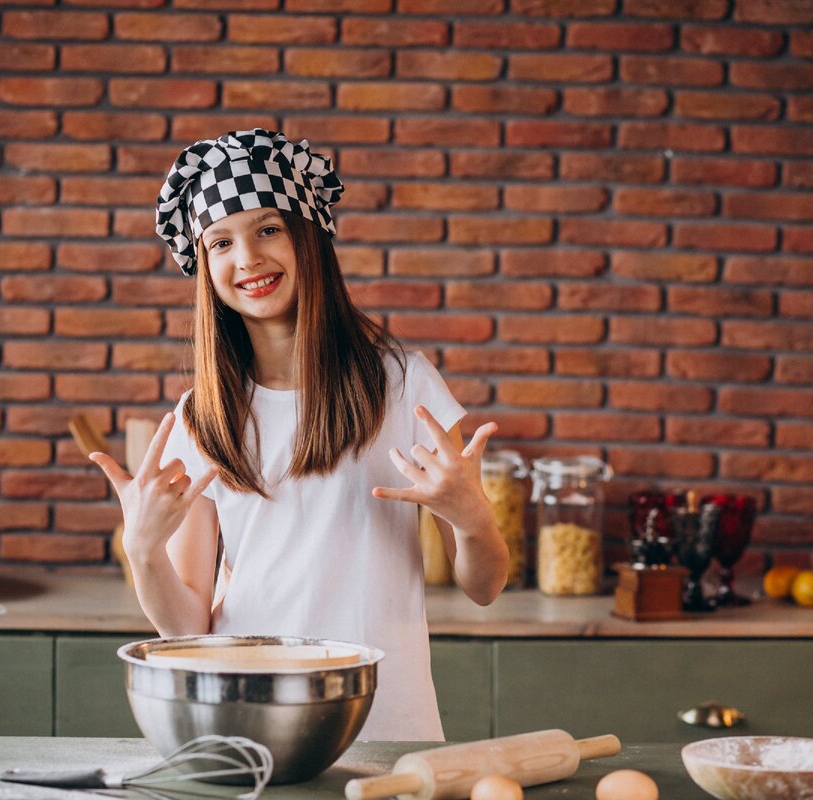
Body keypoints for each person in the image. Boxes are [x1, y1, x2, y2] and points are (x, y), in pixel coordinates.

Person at [90, 129, 508, 741]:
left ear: (308, 235)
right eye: (222, 242)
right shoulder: (201, 417)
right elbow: (189, 627)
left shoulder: (405, 385)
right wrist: (144, 552)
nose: (248, 259)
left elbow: (486, 586)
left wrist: (472, 519)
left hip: (386, 723)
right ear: (204, 268)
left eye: (268, 229)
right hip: (248, 723)